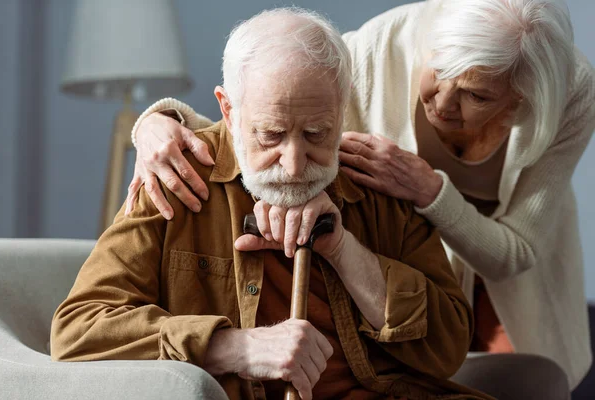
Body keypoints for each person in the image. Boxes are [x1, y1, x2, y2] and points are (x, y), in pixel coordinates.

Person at [127, 0, 595, 397]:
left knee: (533, 381)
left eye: (475, 94)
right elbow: (267, 102)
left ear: (522, 99)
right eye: (438, 73)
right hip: (388, 278)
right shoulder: (376, 48)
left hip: (496, 281)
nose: (443, 104)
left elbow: (515, 253)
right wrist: (160, 120)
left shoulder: (572, 93)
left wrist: (429, 193)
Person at [51, 8, 490, 400]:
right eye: (271, 135)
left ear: (342, 106)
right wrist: (234, 347)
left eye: (317, 133)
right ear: (227, 108)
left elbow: (449, 348)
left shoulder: (378, 183)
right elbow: (78, 329)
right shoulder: (173, 177)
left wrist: (343, 251)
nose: (295, 164)